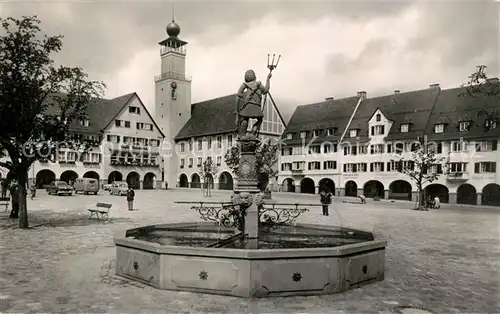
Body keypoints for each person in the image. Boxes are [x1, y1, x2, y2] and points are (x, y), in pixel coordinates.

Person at [235, 69, 272, 138]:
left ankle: (242, 135)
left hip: (248, 105)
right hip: (257, 107)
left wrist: (236, 109)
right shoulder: (258, 84)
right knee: (260, 119)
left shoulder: (245, 84)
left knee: (244, 119)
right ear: (254, 76)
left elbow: (238, 95)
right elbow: (266, 90)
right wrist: (268, 78)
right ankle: (253, 133)